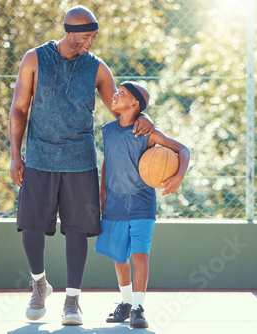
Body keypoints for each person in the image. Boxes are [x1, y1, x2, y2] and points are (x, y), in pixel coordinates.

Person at [8, 6, 154, 326]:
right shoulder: (35, 59)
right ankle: (39, 284)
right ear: (69, 31)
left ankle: (72, 299)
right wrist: (16, 155)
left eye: (94, 35)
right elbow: (19, 108)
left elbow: (120, 109)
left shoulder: (98, 69)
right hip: (40, 158)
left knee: (77, 231)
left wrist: (143, 115)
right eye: (86, 36)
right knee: (31, 227)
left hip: (80, 160)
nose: (91, 41)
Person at [94, 81, 190, 328]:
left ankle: (138, 308)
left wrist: (178, 176)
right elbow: (107, 165)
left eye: (122, 93)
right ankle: (125, 303)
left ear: (135, 104)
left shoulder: (148, 133)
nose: (115, 95)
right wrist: (101, 199)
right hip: (113, 206)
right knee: (119, 257)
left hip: (142, 206)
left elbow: (182, 149)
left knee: (140, 256)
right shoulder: (108, 131)